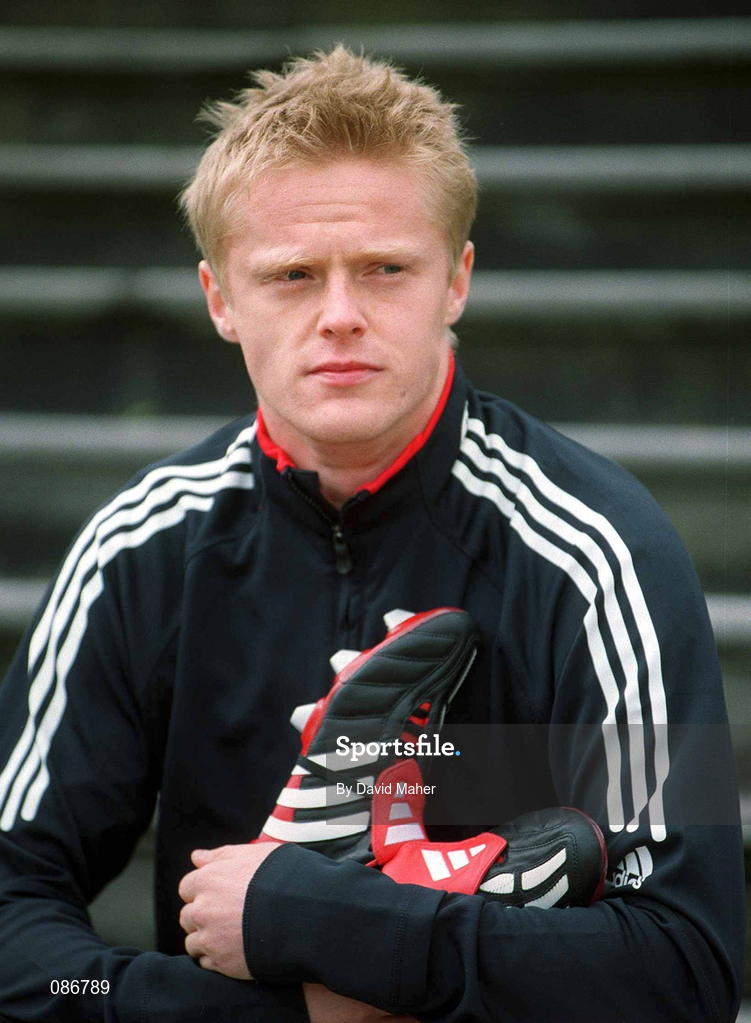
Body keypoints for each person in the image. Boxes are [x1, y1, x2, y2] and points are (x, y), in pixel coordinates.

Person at [0, 45, 744, 1023]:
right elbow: (13, 912)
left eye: (385, 269)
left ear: (456, 281)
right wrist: (258, 1016)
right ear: (220, 299)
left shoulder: (596, 553)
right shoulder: (138, 552)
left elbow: (685, 961)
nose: (340, 316)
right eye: (292, 275)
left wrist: (319, 918)